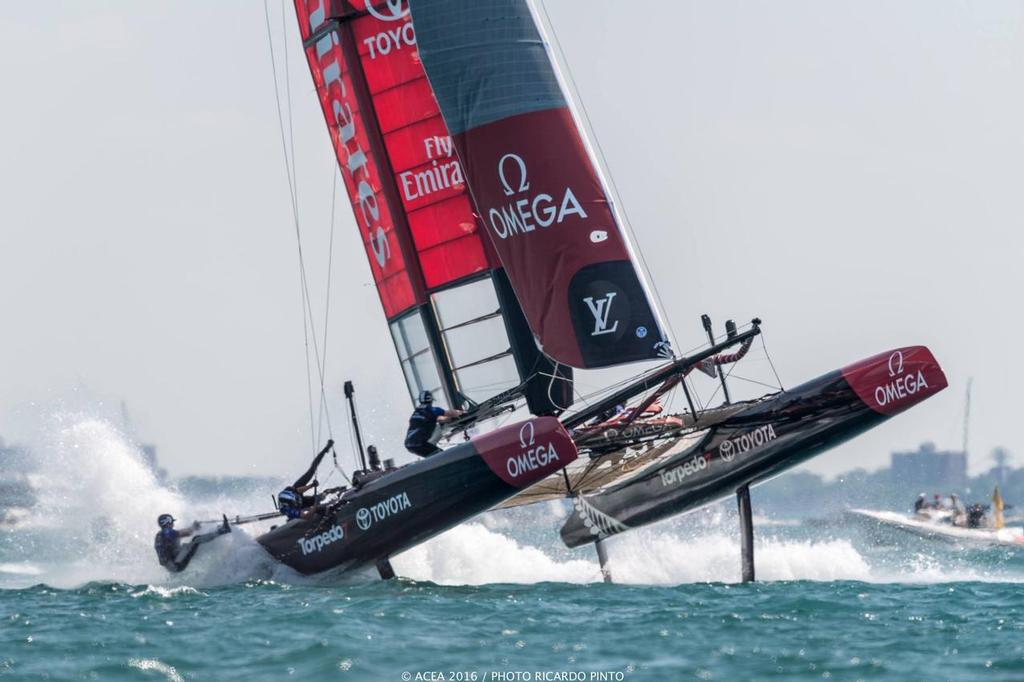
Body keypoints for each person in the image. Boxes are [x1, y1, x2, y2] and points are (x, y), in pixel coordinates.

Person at [277, 440, 335, 521]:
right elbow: (306, 516)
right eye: (296, 500)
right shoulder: (290, 511)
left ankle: (325, 449)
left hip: (296, 493)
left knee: (311, 471)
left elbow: (298, 490)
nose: (297, 499)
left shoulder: (289, 491)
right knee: (317, 500)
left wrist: (311, 485)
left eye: (296, 498)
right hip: (301, 506)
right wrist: (314, 508)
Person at [154, 513, 230, 573]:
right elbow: (187, 533)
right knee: (196, 539)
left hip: (172, 565)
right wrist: (193, 527)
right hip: (176, 564)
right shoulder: (167, 532)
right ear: (168, 522)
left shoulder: (160, 535)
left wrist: (192, 527)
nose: (173, 524)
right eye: (172, 522)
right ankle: (223, 530)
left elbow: (178, 534)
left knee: (189, 545)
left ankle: (218, 529)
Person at [404, 390, 462, 457]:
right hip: (419, 443)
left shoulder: (416, 412)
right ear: (431, 400)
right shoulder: (432, 410)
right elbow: (450, 413)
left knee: (433, 455)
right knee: (441, 456)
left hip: (409, 444)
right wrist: (461, 412)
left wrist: (448, 419)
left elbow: (437, 419)